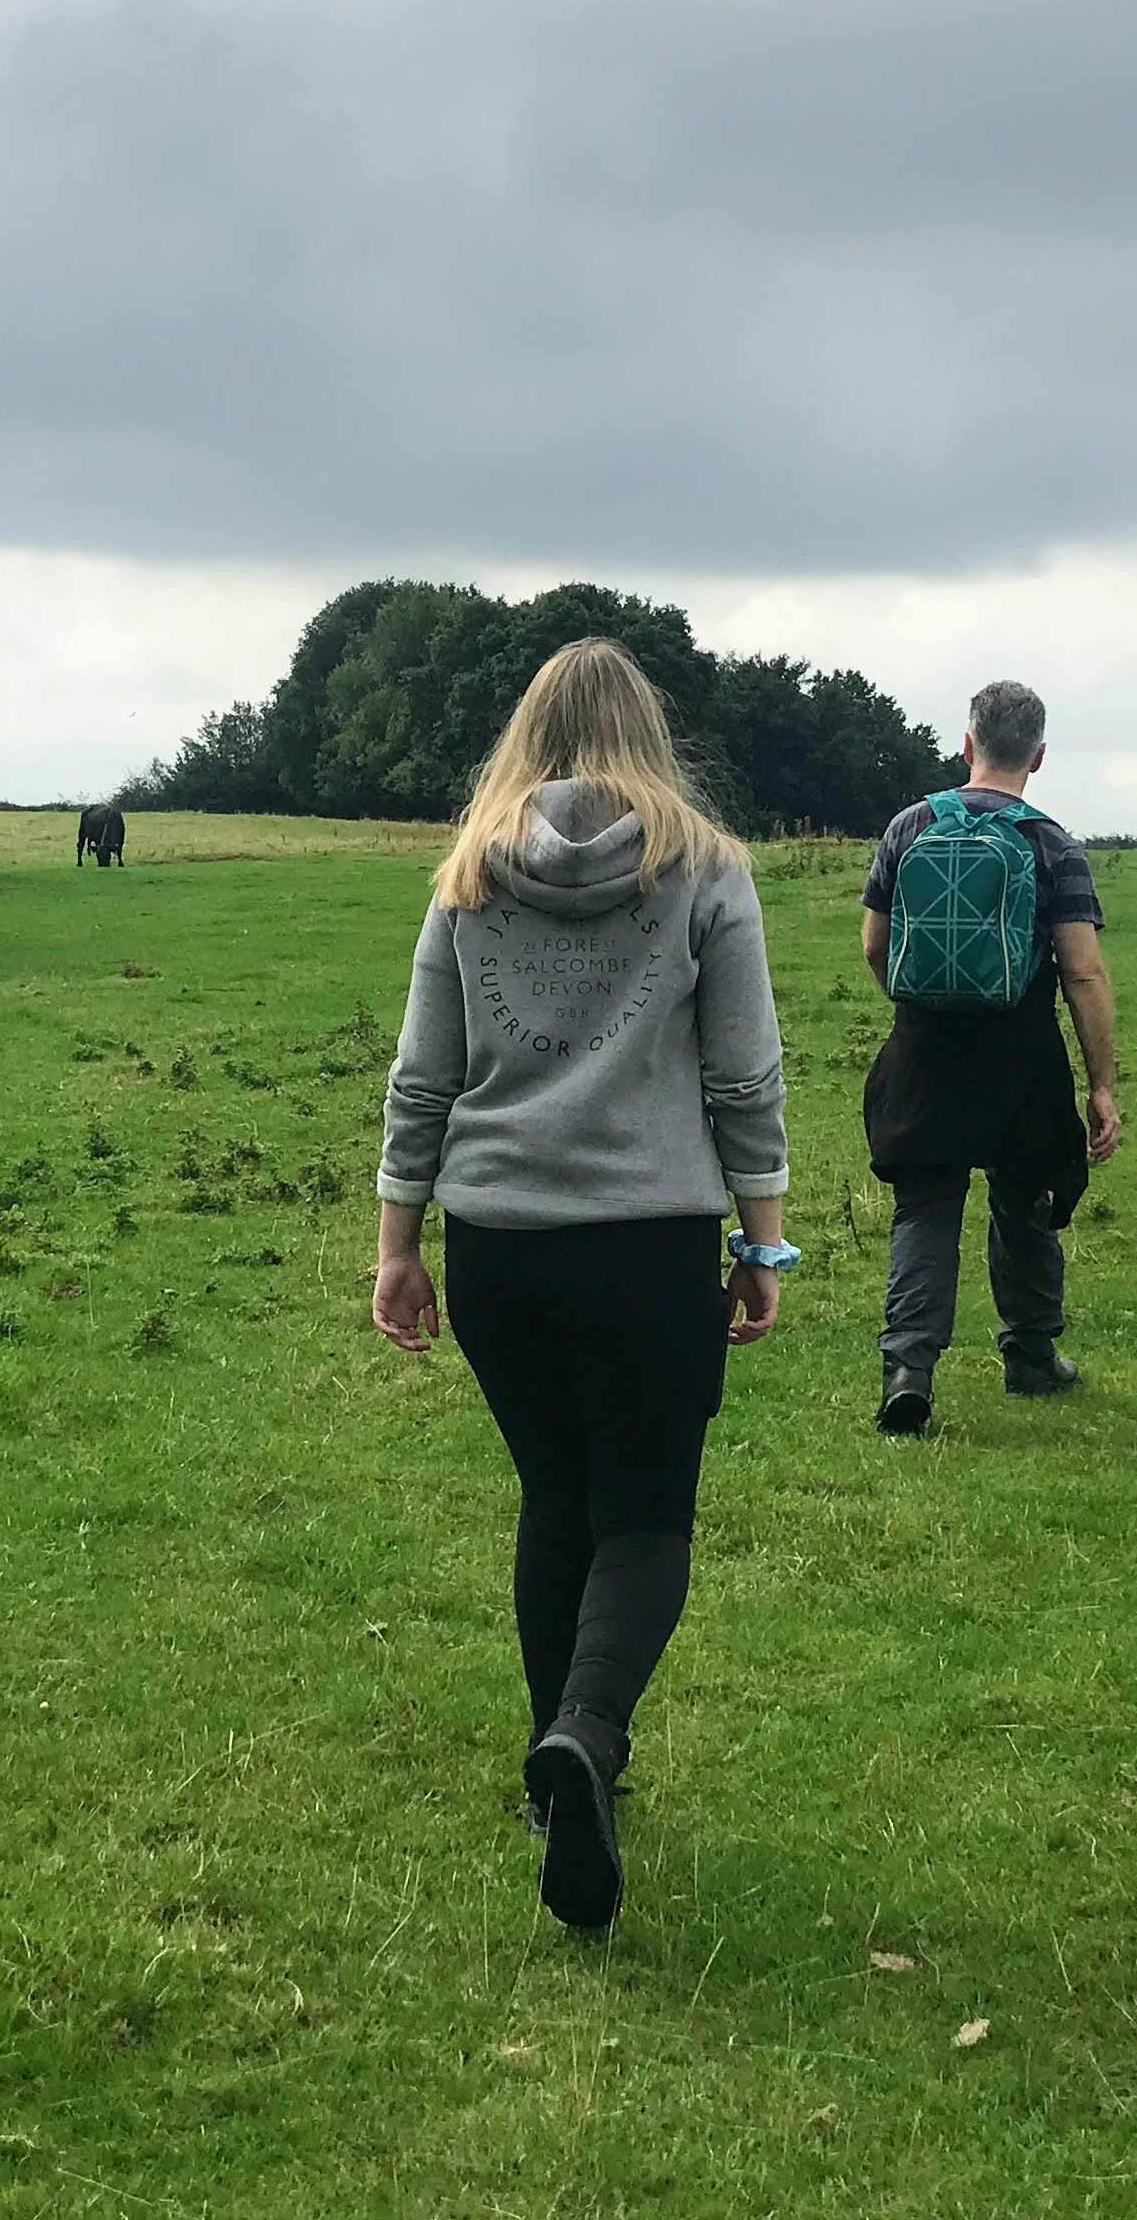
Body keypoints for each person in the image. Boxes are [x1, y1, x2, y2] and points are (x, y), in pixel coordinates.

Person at [369, 637, 794, 1934]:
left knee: (556, 1498)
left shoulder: (467, 873)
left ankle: (554, 1776)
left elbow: (422, 1078)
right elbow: (744, 1078)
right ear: (645, 732)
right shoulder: (704, 869)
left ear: (528, 733)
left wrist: (397, 1245)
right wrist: (762, 1242)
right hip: (649, 1245)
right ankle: (588, 1739)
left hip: (497, 1246)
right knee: (646, 1516)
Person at [859, 678, 1120, 1435]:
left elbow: (875, 945)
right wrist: (1101, 1085)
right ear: (1037, 757)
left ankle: (908, 1371)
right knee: (1025, 1201)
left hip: (923, 1051)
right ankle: (1030, 1356)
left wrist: (918, 1007)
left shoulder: (908, 826)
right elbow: (1082, 973)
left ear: (967, 744)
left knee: (925, 1208)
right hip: (1022, 1054)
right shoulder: (1052, 844)